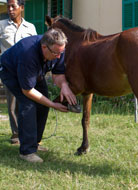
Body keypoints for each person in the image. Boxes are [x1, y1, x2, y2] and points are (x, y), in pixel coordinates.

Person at [0, 28, 77, 163]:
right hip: (10, 71)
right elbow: (27, 91)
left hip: (36, 72)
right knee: (29, 104)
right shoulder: (28, 54)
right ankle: (27, 151)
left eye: (61, 52)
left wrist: (64, 87)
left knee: (43, 105)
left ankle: (35, 143)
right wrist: (53, 104)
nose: (59, 56)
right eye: (56, 53)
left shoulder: (57, 49)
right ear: (44, 47)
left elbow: (58, 74)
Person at [0, 0, 37, 144]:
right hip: (9, 70)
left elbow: (34, 47)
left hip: (27, 70)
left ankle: (28, 133)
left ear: (21, 7)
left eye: (13, 6)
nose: (10, 9)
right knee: (12, 104)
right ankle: (16, 134)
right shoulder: (1, 26)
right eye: (8, 6)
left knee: (28, 102)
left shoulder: (30, 27)